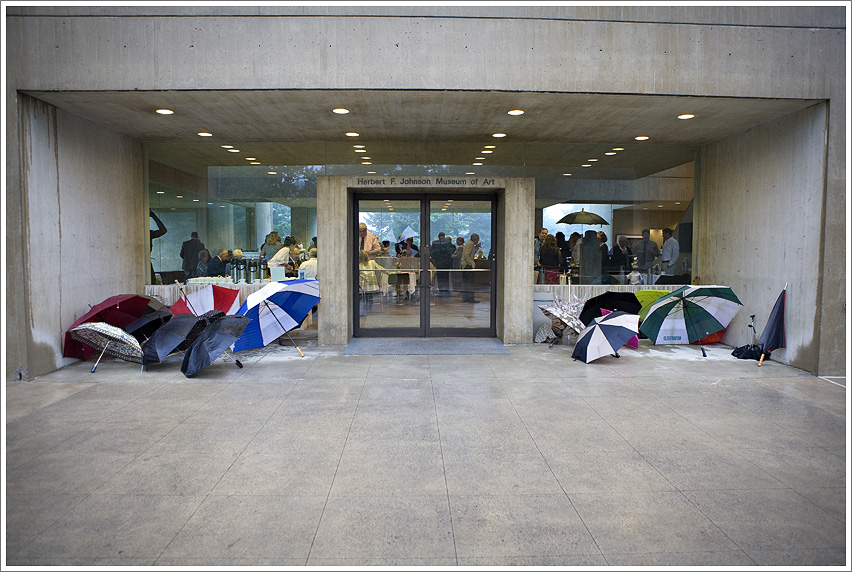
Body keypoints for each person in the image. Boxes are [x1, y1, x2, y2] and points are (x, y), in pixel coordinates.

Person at [358, 249, 384, 314]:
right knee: (370, 296)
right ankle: (369, 310)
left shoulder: (358, 264)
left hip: (363, 285)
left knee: (363, 297)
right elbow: (381, 269)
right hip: (373, 285)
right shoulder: (372, 262)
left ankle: (364, 311)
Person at [460, 233, 481, 303]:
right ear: (475, 239)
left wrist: (477, 247)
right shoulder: (470, 244)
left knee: (468, 283)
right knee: (469, 282)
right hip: (467, 266)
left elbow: (471, 252)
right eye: (477, 240)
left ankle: (467, 297)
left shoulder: (470, 244)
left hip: (466, 265)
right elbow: (466, 255)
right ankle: (469, 298)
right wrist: (472, 263)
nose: (478, 241)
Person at [149, 210, 167, 283]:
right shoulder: (148, 234)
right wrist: (153, 216)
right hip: (144, 260)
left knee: (152, 281)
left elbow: (163, 230)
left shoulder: (148, 234)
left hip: (147, 260)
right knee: (152, 281)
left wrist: (153, 216)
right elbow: (163, 230)